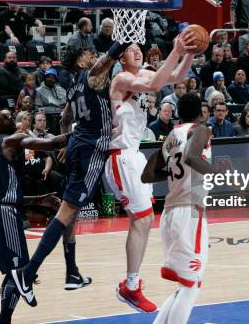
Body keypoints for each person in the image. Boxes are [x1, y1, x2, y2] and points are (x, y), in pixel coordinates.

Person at [11, 41, 133, 304]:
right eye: (89, 53)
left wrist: (67, 140)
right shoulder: (90, 77)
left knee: (71, 211)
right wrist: (121, 42)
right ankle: (28, 273)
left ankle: (72, 273)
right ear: (80, 61)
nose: (94, 55)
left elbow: (65, 118)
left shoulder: (73, 87)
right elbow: (104, 62)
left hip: (78, 143)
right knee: (66, 211)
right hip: (91, 148)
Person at [102, 34, 195, 313]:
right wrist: (176, 47)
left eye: (138, 47)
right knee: (141, 219)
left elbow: (176, 77)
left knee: (144, 220)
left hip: (134, 155)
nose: (137, 51)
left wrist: (189, 52)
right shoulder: (120, 80)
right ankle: (130, 286)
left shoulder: (143, 74)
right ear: (121, 59)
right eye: (130, 49)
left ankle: (131, 285)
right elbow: (156, 83)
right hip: (120, 156)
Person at [0, 111, 68, 323]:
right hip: (3, 213)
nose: (9, 115)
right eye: (4, 116)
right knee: (20, 271)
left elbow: (5, 192)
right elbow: (51, 144)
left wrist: (37, 199)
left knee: (13, 273)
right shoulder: (13, 139)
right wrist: (83, 133)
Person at [141, 92, 217, 324]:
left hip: (170, 213)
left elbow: (146, 175)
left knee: (187, 283)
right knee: (192, 284)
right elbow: (193, 158)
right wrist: (224, 175)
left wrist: (174, 167)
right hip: (189, 212)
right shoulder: (201, 130)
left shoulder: (171, 136)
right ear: (201, 112)